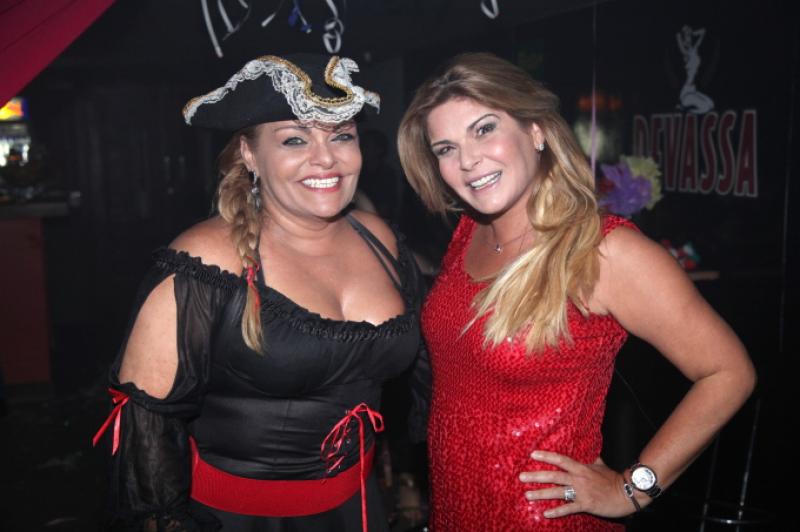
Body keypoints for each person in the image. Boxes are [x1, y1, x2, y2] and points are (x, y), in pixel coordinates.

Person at [397, 52, 755, 531]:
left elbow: (728, 372)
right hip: (455, 512)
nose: (467, 160)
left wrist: (633, 489)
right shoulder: (469, 233)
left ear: (536, 131)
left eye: (484, 129)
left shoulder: (603, 250)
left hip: (544, 520)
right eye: (445, 148)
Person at [93, 53, 429, 532]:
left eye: (342, 136)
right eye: (295, 139)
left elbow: (424, 376)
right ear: (250, 155)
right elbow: (147, 430)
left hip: (359, 508)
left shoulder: (382, 239)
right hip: (242, 520)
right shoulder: (205, 261)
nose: (326, 158)